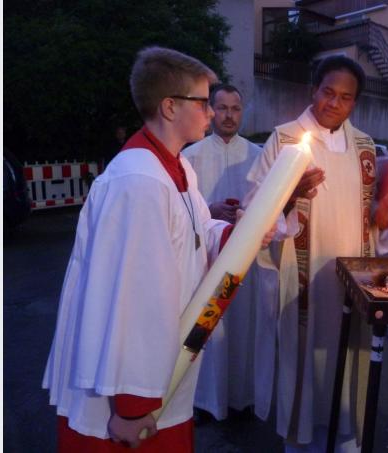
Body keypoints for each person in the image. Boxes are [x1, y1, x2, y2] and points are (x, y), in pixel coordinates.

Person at [42, 46, 272, 452]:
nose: (211, 113)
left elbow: (200, 229)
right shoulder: (139, 182)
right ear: (169, 107)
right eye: (203, 102)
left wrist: (249, 231)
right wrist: (132, 407)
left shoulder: (175, 165)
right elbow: (135, 298)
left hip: (159, 375)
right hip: (126, 392)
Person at [246, 56, 388, 452]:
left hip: (351, 285)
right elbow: (255, 213)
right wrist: (290, 196)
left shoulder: (366, 149)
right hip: (304, 284)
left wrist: (385, 221)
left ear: (355, 103)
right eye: (328, 92)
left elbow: (368, 222)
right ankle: (300, 444)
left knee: (348, 371)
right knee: (305, 369)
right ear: (313, 90)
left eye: (346, 97)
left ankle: (347, 441)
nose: (334, 104)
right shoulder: (284, 141)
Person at [183, 84, 277, 422]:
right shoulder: (190, 157)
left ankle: (243, 396)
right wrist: (209, 210)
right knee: (209, 326)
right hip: (208, 262)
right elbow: (182, 212)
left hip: (246, 262)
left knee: (243, 328)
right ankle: (207, 400)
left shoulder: (258, 156)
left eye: (235, 109)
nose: (228, 115)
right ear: (210, 111)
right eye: (221, 108)